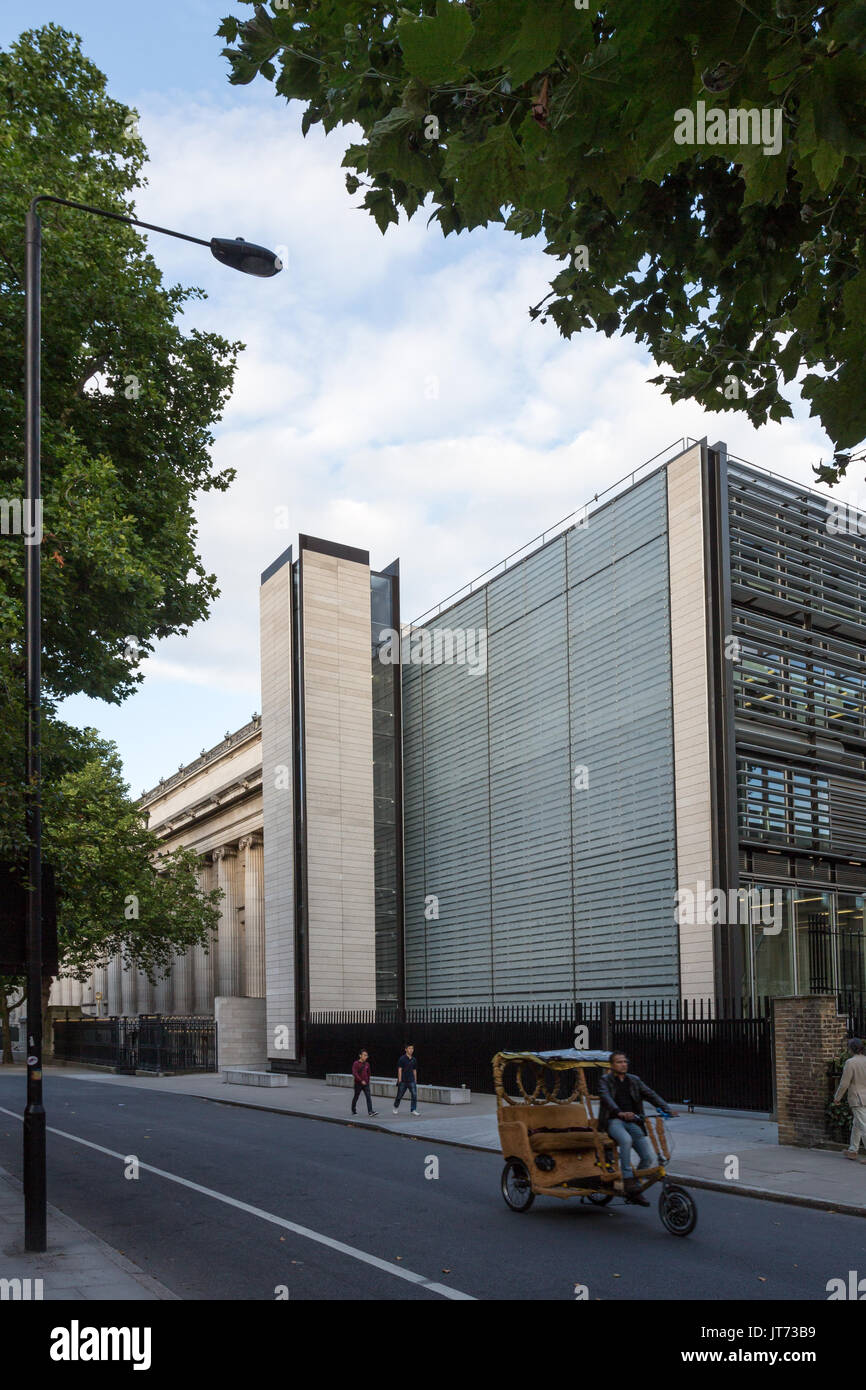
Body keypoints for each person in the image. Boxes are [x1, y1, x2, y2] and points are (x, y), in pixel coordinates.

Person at [597, 1051, 676, 1206]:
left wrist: (666, 1108)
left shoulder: (634, 1080)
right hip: (614, 1121)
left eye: (625, 1061)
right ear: (612, 1065)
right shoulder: (605, 1080)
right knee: (626, 1140)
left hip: (633, 1121)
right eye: (619, 1062)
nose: (623, 1064)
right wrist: (619, 1112)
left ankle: (635, 1188)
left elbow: (650, 1094)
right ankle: (628, 1181)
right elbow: (606, 1098)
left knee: (647, 1157)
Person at [834, 1037, 866, 1162]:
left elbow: (844, 1083)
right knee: (857, 1124)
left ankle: (853, 1150)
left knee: (863, 1125)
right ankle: (853, 1150)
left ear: (851, 1049)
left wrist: (837, 1098)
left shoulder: (850, 1062)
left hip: (857, 1098)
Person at [393, 1043, 420, 1116]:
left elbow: (414, 1070)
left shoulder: (414, 1059)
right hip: (403, 1080)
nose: (411, 1050)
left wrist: (415, 1079)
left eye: (412, 1048)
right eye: (409, 1048)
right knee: (399, 1096)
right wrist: (399, 1079)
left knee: (414, 1095)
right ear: (406, 1049)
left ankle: (413, 1109)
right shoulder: (402, 1059)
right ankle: (395, 1107)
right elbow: (399, 1069)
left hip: (411, 1080)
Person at [351, 1049, 378, 1117]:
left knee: (368, 1097)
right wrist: (361, 1080)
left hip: (366, 1084)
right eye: (364, 1055)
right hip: (358, 1084)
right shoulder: (356, 1063)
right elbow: (355, 1073)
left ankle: (370, 1111)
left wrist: (367, 1081)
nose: (366, 1057)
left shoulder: (367, 1064)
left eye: (367, 1055)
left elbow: (369, 1073)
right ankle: (353, 1110)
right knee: (356, 1097)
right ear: (360, 1055)